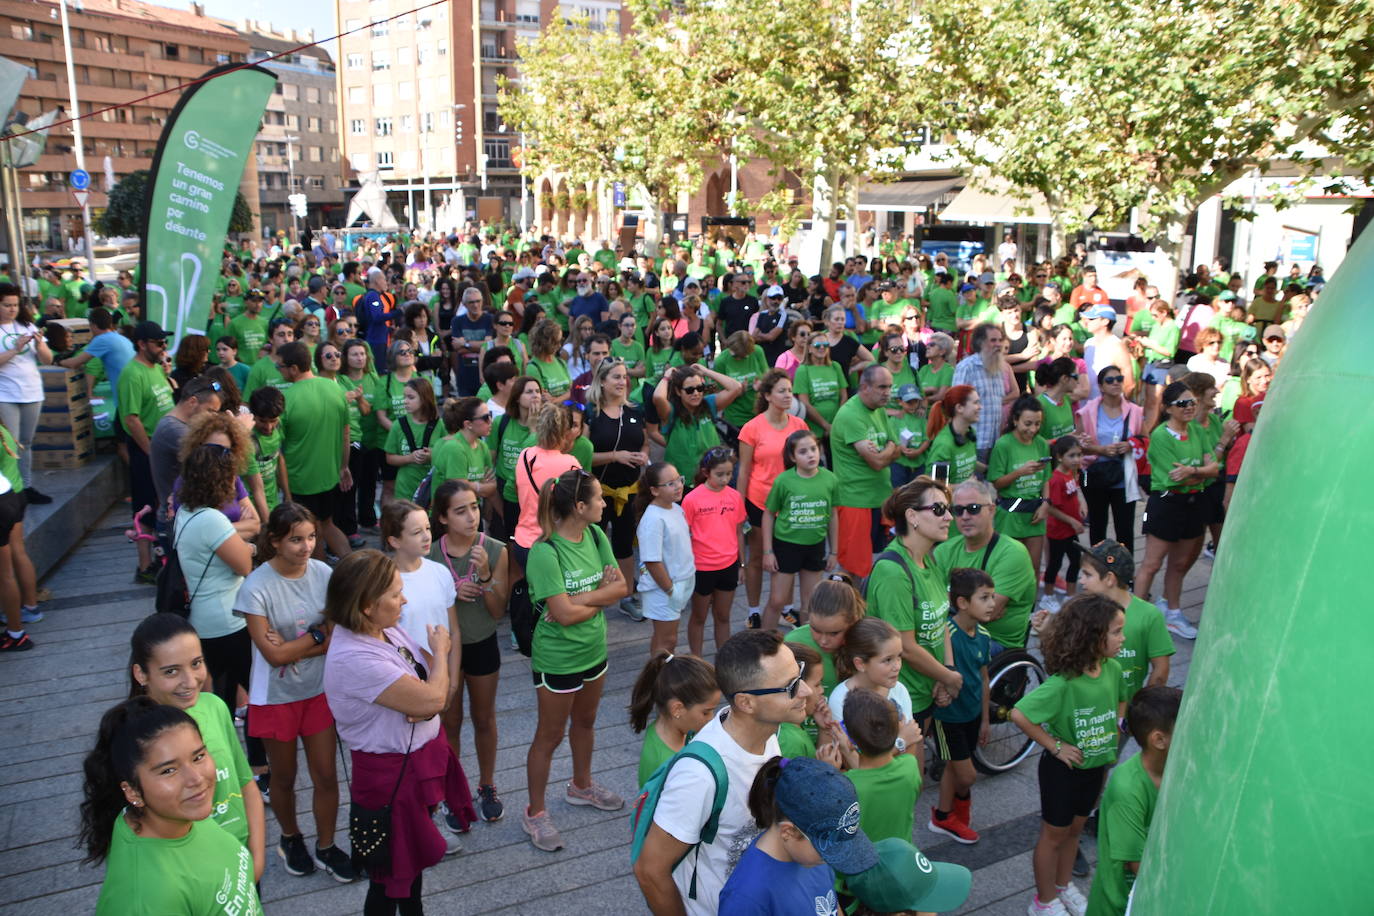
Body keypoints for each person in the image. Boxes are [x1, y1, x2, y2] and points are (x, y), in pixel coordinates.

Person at [321, 549, 469, 913]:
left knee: (409, 869)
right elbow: (434, 694)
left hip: (410, 765)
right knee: (389, 879)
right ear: (367, 605)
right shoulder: (355, 656)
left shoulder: (384, 627)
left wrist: (423, 693)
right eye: (395, 594)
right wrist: (441, 651)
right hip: (390, 778)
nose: (404, 600)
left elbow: (425, 676)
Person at [633, 630, 813, 915]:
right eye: (790, 686)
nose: (806, 691)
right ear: (746, 702)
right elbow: (650, 871)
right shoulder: (698, 777)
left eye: (799, 675)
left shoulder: (769, 733)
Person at [232, 504, 354, 880]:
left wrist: (301, 642)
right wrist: (318, 636)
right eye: (296, 539)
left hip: (318, 690)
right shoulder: (256, 586)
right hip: (275, 697)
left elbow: (329, 638)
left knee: (326, 775)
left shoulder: (324, 573)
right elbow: (271, 656)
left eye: (312, 537)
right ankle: (290, 836)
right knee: (283, 778)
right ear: (274, 542)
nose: (306, 546)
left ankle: (327, 845)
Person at [522, 468, 628, 851]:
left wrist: (578, 600)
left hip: (593, 650)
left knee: (585, 722)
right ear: (580, 506)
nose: (604, 503)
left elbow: (621, 587)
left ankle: (581, 786)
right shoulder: (544, 552)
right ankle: (534, 811)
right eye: (599, 498)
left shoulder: (596, 534)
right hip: (558, 659)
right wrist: (595, 598)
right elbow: (562, 617)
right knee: (548, 736)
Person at [80, 697, 264, 916]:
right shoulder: (146, 899)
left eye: (198, 756)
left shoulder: (179, 816)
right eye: (168, 770)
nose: (195, 779)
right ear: (132, 791)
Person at [126, 613, 267, 882]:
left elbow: (246, 783)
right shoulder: (136, 737)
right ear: (141, 674)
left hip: (239, 860)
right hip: (190, 875)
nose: (190, 681)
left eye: (196, 663)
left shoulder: (214, 707)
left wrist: (256, 860)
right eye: (171, 671)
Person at [1011, 594, 1127, 916]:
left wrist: (1115, 727)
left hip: (1095, 767)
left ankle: (1063, 886)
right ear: (1092, 635)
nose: (1123, 638)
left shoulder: (1112, 668)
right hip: (1062, 770)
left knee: (1075, 829)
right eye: (1117, 632)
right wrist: (1054, 746)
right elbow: (1020, 715)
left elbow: (1121, 699)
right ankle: (1043, 900)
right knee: (1053, 834)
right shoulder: (1064, 683)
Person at [427, 479, 509, 822]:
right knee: (450, 720)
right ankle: (451, 791)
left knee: (484, 718)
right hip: (444, 648)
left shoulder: (494, 549)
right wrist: (450, 594)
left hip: (483, 642)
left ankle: (487, 785)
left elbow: (497, 612)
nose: (471, 516)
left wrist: (488, 577)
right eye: (460, 511)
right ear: (443, 517)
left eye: (474, 507)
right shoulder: (430, 555)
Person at [867, 478, 962, 760]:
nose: (949, 517)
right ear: (912, 516)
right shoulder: (893, 572)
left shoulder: (930, 560)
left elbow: (942, 620)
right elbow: (904, 646)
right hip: (899, 698)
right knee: (910, 780)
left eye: (948, 509)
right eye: (939, 509)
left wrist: (944, 671)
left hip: (927, 688)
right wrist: (950, 678)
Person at [717, 755, 877, 916]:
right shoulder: (746, 898)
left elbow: (832, 906)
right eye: (829, 849)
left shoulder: (814, 854)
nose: (834, 856)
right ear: (788, 832)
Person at [1085, 686, 1183, 916]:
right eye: (1186, 728)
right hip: (1120, 905)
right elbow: (1137, 864)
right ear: (1159, 739)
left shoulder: (1179, 770)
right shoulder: (1127, 789)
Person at [1134, 381, 1217, 640]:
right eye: (1183, 403)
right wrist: (1199, 473)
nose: (1190, 407)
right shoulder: (1160, 436)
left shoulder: (1197, 430)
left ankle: (1173, 612)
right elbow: (1175, 477)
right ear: (1168, 409)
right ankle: (1133, 618)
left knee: (1179, 563)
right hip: (1167, 503)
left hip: (1193, 502)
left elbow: (1212, 468)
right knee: (1152, 563)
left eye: (1192, 401)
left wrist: (1194, 471)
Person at [928, 568, 995, 845]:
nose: (992, 603)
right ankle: (952, 814)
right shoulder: (948, 634)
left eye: (992, 596)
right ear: (962, 603)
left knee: (956, 770)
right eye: (985, 597)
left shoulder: (983, 635)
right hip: (949, 718)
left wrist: (985, 719)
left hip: (972, 714)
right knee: (966, 775)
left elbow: (983, 678)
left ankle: (944, 816)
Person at [737, 370, 809, 623]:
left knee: (788, 556)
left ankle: (786, 609)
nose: (788, 395)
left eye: (790, 390)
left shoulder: (799, 426)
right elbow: (744, 470)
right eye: (781, 390)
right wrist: (740, 505)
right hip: (760, 501)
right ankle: (753, 610)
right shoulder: (752, 428)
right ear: (767, 396)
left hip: (792, 502)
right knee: (757, 557)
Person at [585, 358, 651, 621]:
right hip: (598, 493)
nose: (622, 382)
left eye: (624, 377)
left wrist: (643, 456)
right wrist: (615, 456)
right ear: (602, 381)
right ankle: (590, 595)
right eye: (616, 377)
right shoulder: (592, 414)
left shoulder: (635, 412)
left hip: (630, 491)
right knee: (593, 544)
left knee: (624, 544)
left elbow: (645, 444)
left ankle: (626, 595)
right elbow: (583, 456)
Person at [279, 341, 353, 560]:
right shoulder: (335, 388)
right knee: (327, 524)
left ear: (293, 368)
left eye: (280, 366)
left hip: (300, 479)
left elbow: (278, 451)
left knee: (309, 533)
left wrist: (285, 489)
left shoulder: (287, 398)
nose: (279, 371)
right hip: (329, 475)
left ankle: (320, 579)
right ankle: (354, 567)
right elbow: (346, 434)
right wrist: (344, 466)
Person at [1077, 540, 1174, 704]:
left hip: (1127, 710)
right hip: (1085, 708)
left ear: (1109, 579)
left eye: (1087, 575)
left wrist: (1143, 708)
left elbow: (1161, 669)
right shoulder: (1080, 610)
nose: (1080, 580)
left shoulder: (1149, 615)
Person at [761, 429, 837, 630]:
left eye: (814, 449)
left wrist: (834, 552)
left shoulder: (830, 479)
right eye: (803, 452)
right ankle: (761, 645)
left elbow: (833, 515)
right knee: (777, 601)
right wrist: (768, 551)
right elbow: (768, 514)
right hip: (786, 546)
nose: (811, 454)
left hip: (815, 546)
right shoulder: (784, 481)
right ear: (792, 457)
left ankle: (805, 650)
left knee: (810, 603)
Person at [119, 321, 176, 582]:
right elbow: (132, 419)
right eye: (158, 343)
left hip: (162, 446)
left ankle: (161, 557)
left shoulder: (154, 368)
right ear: (142, 344)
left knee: (161, 503)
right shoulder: (132, 373)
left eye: (164, 342)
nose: (163, 347)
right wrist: (151, 453)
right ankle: (144, 567)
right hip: (148, 448)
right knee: (145, 505)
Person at [829, 366, 898, 579]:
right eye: (882, 387)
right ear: (864, 387)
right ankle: (848, 610)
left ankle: (864, 608)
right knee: (852, 568)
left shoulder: (879, 409)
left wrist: (886, 450)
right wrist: (888, 450)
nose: (887, 392)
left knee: (874, 562)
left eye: (890, 387)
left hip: (879, 498)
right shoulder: (851, 414)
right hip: (855, 502)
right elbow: (877, 462)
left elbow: (898, 448)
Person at [682, 447, 747, 657]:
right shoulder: (692, 499)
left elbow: (739, 532)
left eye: (729, 474)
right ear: (705, 472)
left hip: (728, 565)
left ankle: (724, 658)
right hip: (702, 567)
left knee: (723, 616)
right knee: (699, 617)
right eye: (720, 474)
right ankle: (696, 660)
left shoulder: (735, 497)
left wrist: (741, 564)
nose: (725, 479)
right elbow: (685, 536)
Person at [839, 687, 922, 846]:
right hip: (901, 860)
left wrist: (837, 761)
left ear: (850, 740)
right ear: (898, 728)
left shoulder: (846, 785)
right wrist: (901, 740)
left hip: (862, 867)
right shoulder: (909, 766)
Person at [629, 651, 721, 787]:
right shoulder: (668, 764)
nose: (711, 718)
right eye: (706, 712)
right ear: (677, 709)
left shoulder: (665, 729)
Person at [1075, 366, 1142, 549]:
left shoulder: (1135, 411)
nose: (1116, 383)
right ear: (1101, 386)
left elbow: (1144, 440)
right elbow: (1077, 446)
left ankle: (1125, 573)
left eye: (1119, 379)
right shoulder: (1088, 411)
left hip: (1124, 476)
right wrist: (1100, 450)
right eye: (1110, 380)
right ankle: (1097, 569)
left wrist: (1130, 445)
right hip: (1095, 474)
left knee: (1125, 529)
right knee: (1097, 525)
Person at [0, 284, 54, 504]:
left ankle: (27, 485)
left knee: (27, 442)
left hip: (32, 391)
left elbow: (47, 360)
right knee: (11, 444)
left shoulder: (26, 325)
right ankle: (12, 487)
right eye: (6, 305)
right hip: (6, 394)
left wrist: (40, 345)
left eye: (15, 305)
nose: (12, 309)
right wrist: (14, 349)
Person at [635, 462, 696, 656]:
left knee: (668, 638)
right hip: (663, 589)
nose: (678, 485)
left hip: (679, 583)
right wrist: (670, 590)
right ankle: (657, 682)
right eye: (670, 483)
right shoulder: (653, 519)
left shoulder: (675, 508)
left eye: (679, 479)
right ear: (654, 490)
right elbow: (652, 561)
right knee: (667, 641)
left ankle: (658, 679)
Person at [654, 363, 744, 488]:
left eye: (700, 388)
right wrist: (666, 378)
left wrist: (706, 371)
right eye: (690, 390)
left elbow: (736, 387)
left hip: (711, 480)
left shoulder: (709, 404)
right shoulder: (671, 412)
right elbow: (658, 397)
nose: (696, 393)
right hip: (681, 483)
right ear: (678, 391)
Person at [988, 395, 1052, 574]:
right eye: (1028, 423)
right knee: (1010, 569)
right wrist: (1020, 472)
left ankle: (1031, 603)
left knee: (1033, 568)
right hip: (1010, 515)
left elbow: (1047, 477)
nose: (1033, 429)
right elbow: (997, 483)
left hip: (1035, 515)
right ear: (1015, 420)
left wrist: (1046, 503)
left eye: (1037, 424)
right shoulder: (1004, 445)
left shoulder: (1041, 444)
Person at [784, 578, 864, 696]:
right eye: (816, 630)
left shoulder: (867, 642)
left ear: (853, 622)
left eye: (834, 633)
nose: (823, 641)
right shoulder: (793, 644)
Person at [952, 323, 1007, 461]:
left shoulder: (999, 368)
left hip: (994, 443)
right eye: (993, 340)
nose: (998, 344)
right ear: (980, 343)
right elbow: (955, 404)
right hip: (973, 443)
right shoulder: (966, 367)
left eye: (1000, 340)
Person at [792, 323, 850, 449]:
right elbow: (804, 403)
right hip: (814, 428)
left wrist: (836, 422)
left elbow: (844, 395)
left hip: (837, 424)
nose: (822, 348)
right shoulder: (803, 370)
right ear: (810, 349)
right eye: (817, 345)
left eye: (826, 345)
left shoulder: (835, 366)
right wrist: (826, 425)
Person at [384, 378, 440, 506]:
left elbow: (448, 453)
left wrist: (432, 455)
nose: (405, 401)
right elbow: (389, 458)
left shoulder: (439, 425)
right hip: (405, 489)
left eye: (410, 397)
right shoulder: (398, 425)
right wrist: (410, 458)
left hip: (432, 488)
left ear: (425, 398)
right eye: (404, 397)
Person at [925, 384, 981, 487]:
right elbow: (935, 486)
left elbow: (966, 462)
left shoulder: (970, 433)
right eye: (976, 403)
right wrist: (966, 486)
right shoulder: (944, 444)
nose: (980, 407)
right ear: (959, 408)